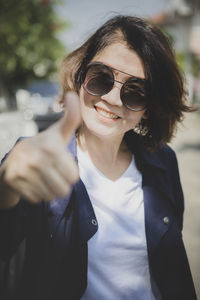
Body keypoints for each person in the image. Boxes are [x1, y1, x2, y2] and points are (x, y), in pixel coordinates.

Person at [0, 15, 197, 300]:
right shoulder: (39, 160)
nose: (114, 99)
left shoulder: (163, 162)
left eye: (135, 92)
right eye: (102, 77)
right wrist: (5, 188)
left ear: (149, 108)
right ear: (81, 75)